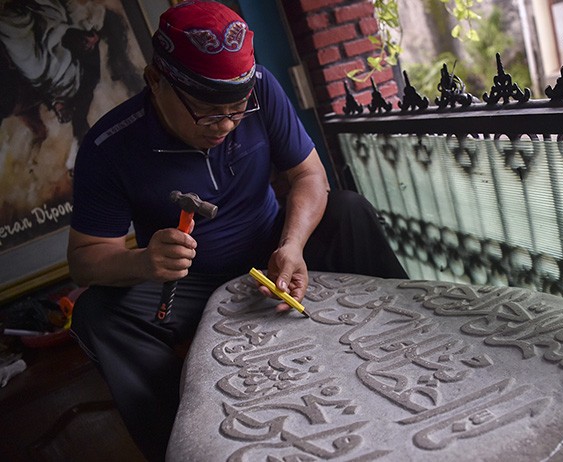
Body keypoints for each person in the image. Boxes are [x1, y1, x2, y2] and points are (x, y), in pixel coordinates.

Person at [66, 1, 407, 460]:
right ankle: (188, 444)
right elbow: (86, 257)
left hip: (270, 246)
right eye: (208, 113)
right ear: (155, 81)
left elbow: (310, 177)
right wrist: (141, 262)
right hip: (186, 281)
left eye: (237, 110)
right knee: (98, 316)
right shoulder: (109, 147)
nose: (226, 125)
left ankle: (406, 339)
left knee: (347, 209)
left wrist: (292, 244)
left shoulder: (262, 89)